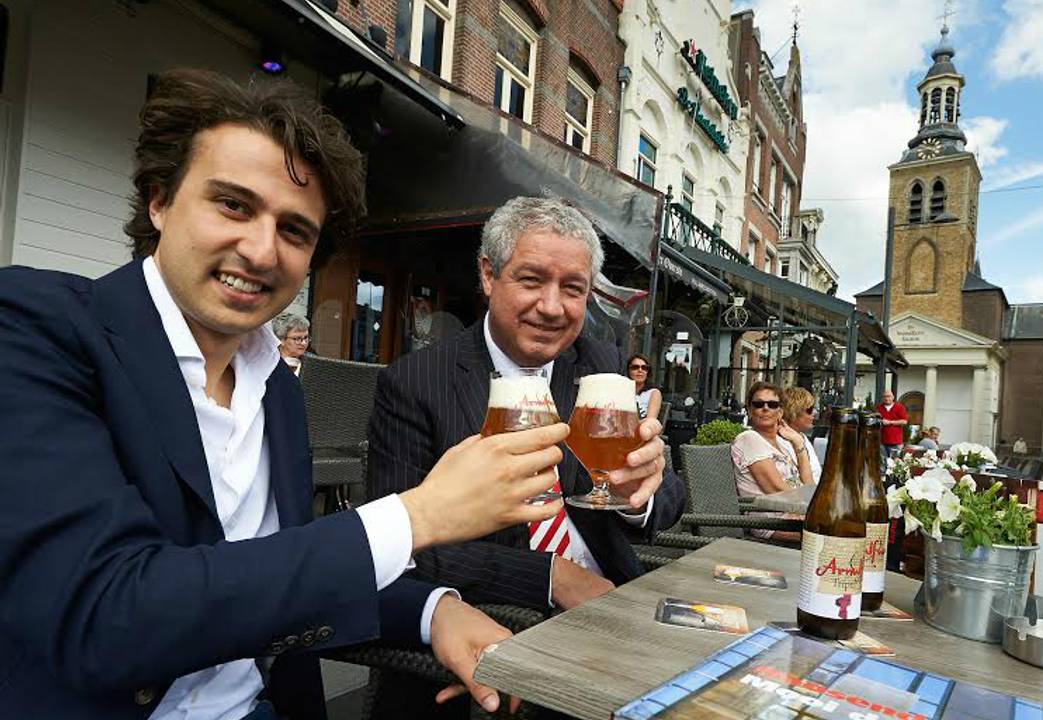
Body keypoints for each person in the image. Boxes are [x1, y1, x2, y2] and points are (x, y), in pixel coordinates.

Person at [0, 70, 566, 718]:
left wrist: (431, 611)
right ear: (160, 201)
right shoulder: (37, 327)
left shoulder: (274, 392)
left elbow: (274, 574)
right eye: (233, 205)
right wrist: (420, 517)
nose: (263, 250)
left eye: (296, 231)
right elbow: (103, 614)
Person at [367, 197, 685, 615]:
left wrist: (637, 498)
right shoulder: (414, 382)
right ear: (488, 275)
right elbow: (396, 545)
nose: (552, 307)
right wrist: (549, 576)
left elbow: (670, 500)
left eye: (573, 288)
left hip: (613, 597)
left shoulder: (599, 363)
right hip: (495, 618)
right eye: (531, 280)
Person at [731, 381, 815, 542]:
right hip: (772, 520)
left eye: (773, 404)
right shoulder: (749, 439)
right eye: (758, 404)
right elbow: (776, 489)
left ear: (780, 412)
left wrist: (798, 443)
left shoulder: (784, 443)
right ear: (749, 410)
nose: (766, 408)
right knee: (834, 532)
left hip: (797, 513)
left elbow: (809, 486)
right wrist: (812, 510)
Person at [781, 386, 822, 477]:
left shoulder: (803, 438)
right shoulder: (780, 443)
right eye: (809, 410)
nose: (814, 413)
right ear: (794, 412)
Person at [628, 353, 662, 421]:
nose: (640, 370)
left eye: (644, 368)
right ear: (628, 371)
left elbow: (650, 420)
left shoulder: (654, 393)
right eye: (635, 367)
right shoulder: (623, 390)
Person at [876, 390, 909, 459]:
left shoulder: (899, 407)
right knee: (883, 463)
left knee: (895, 463)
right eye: (884, 396)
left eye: (888, 396)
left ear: (893, 397)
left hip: (896, 441)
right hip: (882, 441)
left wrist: (890, 422)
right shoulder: (879, 408)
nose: (886, 398)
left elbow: (904, 421)